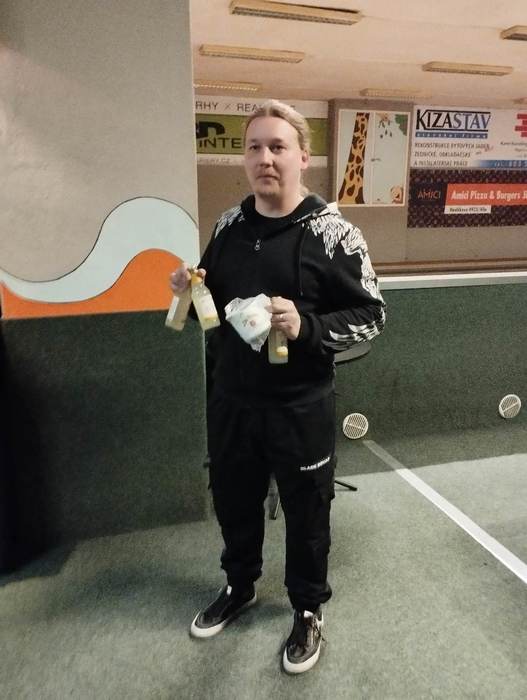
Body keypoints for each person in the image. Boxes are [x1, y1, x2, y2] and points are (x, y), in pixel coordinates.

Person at [170, 99, 386, 674]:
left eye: (277, 146)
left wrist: (306, 325)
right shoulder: (228, 227)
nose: (265, 158)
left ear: (302, 157)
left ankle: (308, 609)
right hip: (231, 401)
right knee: (234, 501)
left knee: (307, 512)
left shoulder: (335, 233)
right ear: (244, 159)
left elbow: (372, 315)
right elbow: (210, 312)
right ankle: (239, 586)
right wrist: (188, 291)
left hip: (300, 407)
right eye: (254, 147)